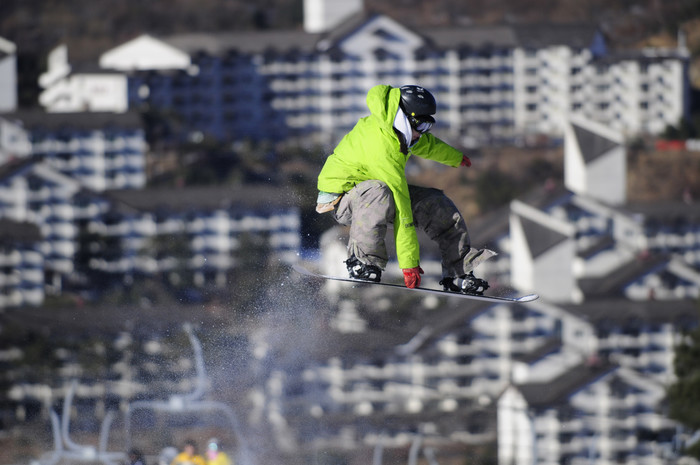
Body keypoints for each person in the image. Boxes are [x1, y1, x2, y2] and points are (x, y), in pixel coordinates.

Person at [316, 84, 495, 294]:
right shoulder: (382, 147)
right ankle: (362, 261)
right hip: (344, 200)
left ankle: (458, 273)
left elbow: (427, 145)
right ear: (404, 118)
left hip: (378, 197)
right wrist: (409, 264)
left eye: (429, 126)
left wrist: (455, 157)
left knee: (436, 202)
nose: (423, 132)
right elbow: (402, 210)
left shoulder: (400, 132)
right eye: (422, 126)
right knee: (378, 190)